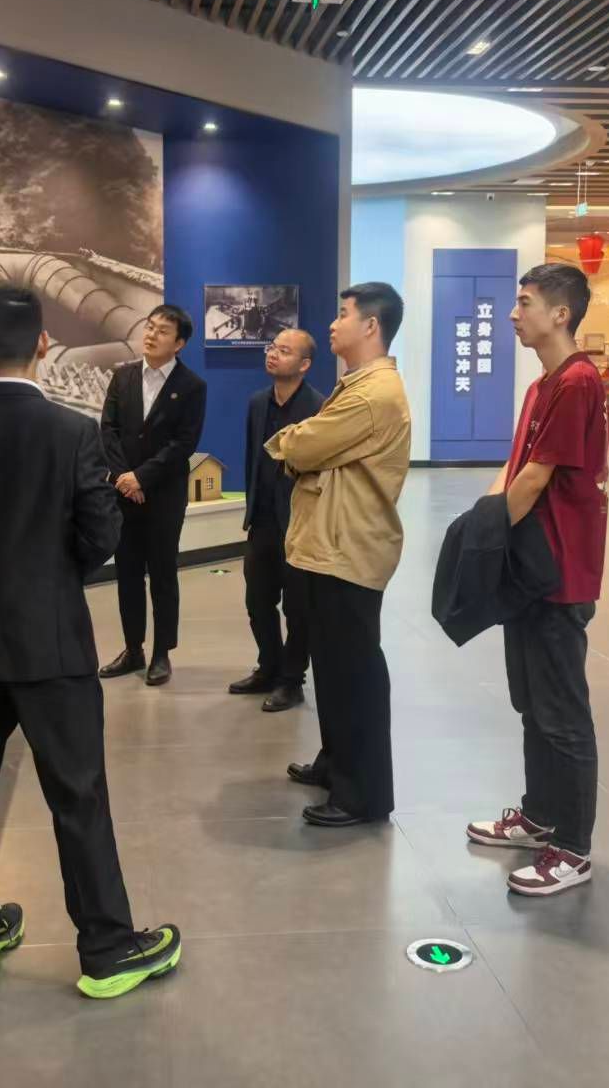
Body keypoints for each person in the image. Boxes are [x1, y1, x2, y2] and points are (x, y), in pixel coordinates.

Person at [0, 283, 182, 999]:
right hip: (50, 642)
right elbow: (102, 534)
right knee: (77, 793)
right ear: (45, 345)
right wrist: (56, 578)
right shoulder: (73, 432)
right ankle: (107, 948)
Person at [466, 263, 609, 897]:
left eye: (524, 303)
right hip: (528, 570)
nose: (512, 314)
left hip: (561, 573)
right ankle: (538, 816)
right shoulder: (541, 385)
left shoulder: (577, 381)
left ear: (560, 313)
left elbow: (536, 478)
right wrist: (482, 523)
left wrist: (481, 538)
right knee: (531, 704)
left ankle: (572, 849)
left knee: (562, 715)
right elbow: (514, 465)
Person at [267, 283, 411, 827]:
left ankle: (362, 794)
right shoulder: (357, 385)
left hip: (349, 549)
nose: (333, 323)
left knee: (352, 675)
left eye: (343, 313)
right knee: (331, 669)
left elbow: (300, 445)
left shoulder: (373, 394)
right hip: (329, 546)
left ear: (371, 326)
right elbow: (311, 444)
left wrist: (296, 448)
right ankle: (336, 764)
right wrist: (304, 448)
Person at [98, 305, 208, 687]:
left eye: (162, 331)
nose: (151, 335)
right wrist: (123, 478)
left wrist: (142, 478)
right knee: (127, 573)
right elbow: (108, 430)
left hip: (164, 495)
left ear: (179, 343)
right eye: (149, 327)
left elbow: (184, 442)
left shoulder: (192, 386)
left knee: (162, 573)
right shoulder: (123, 376)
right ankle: (133, 649)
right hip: (123, 493)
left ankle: (162, 653)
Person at [228, 328, 324, 712]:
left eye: (284, 350)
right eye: (272, 347)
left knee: (298, 609)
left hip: (300, 524)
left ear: (304, 364)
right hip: (263, 520)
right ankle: (268, 667)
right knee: (257, 600)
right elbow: (254, 458)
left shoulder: (319, 408)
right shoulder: (257, 403)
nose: (273, 354)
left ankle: (291, 680)